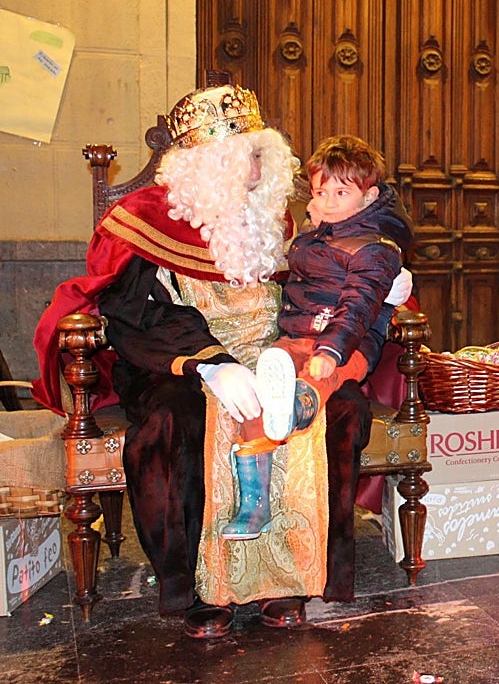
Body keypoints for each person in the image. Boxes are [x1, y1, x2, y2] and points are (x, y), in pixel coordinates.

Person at [31, 83, 385, 638]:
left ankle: (289, 577)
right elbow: (131, 313)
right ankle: (199, 587)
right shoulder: (144, 218)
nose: (260, 165)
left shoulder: (281, 221)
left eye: (263, 152)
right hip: (180, 362)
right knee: (179, 419)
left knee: (338, 408)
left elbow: (333, 283)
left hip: (276, 353)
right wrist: (210, 364)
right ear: (208, 163)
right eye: (248, 153)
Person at [224, 135, 412, 540]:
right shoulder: (315, 233)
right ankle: (254, 506)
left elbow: (359, 306)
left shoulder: (376, 247)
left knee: (321, 374)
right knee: (257, 402)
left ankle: (300, 402)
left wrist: (330, 349)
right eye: (319, 192)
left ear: (369, 195)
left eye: (341, 193)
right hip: (294, 336)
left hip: (350, 343)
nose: (327, 202)